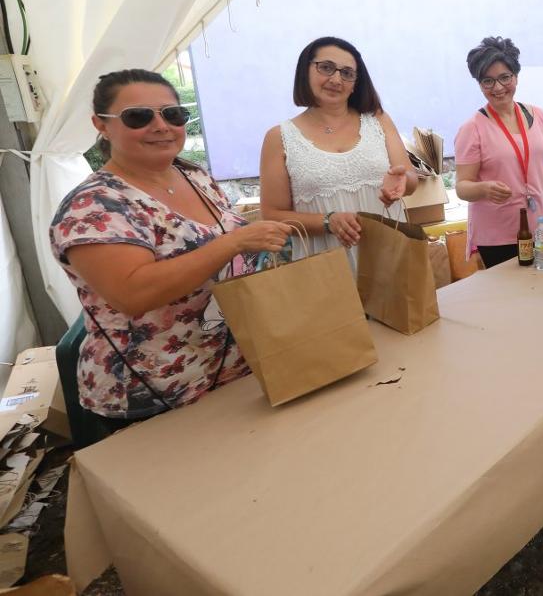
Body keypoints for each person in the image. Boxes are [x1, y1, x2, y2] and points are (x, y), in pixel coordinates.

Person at [49, 69, 293, 430]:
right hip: (154, 391)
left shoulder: (193, 175)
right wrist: (234, 242)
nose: (160, 126)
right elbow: (133, 293)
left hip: (231, 371)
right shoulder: (94, 206)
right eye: (139, 117)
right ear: (101, 125)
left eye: (172, 114)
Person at [260, 37, 423, 263]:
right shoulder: (279, 137)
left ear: (356, 82)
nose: (336, 79)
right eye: (326, 68)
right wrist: (328, 221)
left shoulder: (378, 120)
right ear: (305, 70)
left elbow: (410, 178)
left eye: (347, 73)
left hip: (389, 257)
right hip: (325, 267)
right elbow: (272, 215)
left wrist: (405, 180)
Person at [454, 36, 543, 268]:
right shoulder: (472, 128)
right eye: (488, 81)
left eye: (505, 77)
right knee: (508, 301)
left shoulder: (538, 116)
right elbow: (462, 187)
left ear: (516, 76)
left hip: (542, 228)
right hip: (497, 237)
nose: (498, 88)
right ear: (479, 83)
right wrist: (483, 188)